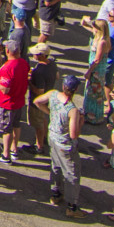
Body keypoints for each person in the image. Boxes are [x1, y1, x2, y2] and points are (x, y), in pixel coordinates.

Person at [37, 73, 85, 218]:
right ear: (75, 90)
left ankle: (56, 193)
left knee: (56, 165)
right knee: (72, 174)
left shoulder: (53, 94)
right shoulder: (72, 110)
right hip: (65, 144)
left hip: (52, 137)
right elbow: (74, 134)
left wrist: (50, 112)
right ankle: (72, 207)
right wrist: (80, 122)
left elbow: (37, 101)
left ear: (63, 86)